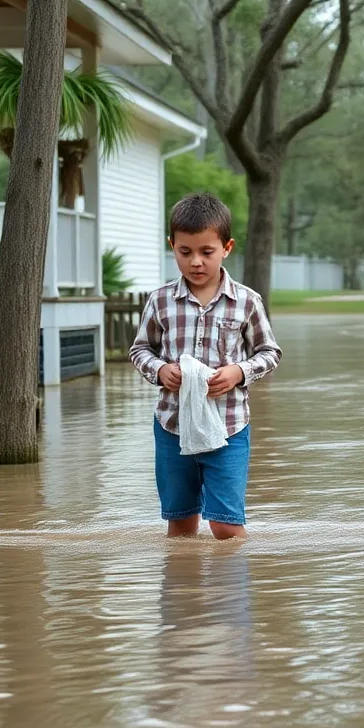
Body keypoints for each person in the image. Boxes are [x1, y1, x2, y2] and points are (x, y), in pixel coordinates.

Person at [130, 193, 282, 539]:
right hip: (172, 426)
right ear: (172, 247)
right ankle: (185, 592)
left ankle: (230, 594)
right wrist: (159, 370)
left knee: (226, 527)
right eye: (185, 252)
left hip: (228, 427)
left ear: (227, 247)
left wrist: (238, 372)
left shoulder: (246, 301)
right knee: (181, 525)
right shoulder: (160, 300)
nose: (195, 262)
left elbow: (269, 352)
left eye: (206, 252)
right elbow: (140, 350)